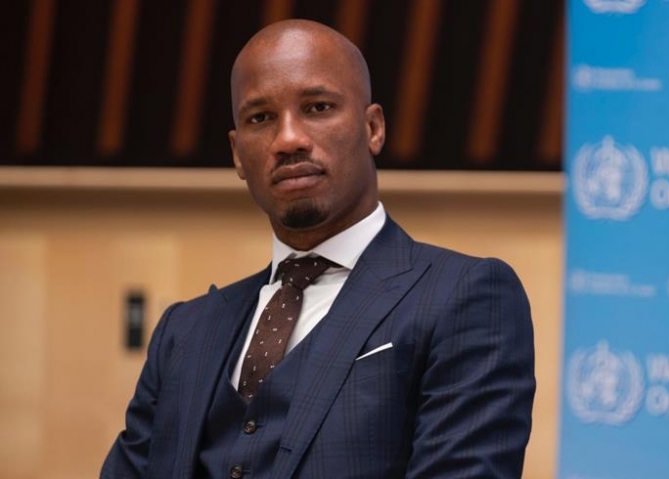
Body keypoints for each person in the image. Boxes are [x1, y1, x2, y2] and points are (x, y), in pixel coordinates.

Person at [102, 19, 535, 478]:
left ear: (373, 128)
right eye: (260, 118)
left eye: (317, 107)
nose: (288, 139)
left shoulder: (465, 295)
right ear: (237, 153)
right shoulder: (183, 332)